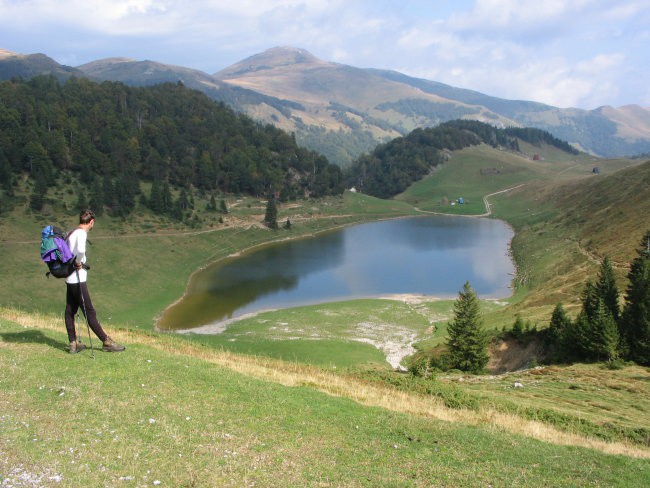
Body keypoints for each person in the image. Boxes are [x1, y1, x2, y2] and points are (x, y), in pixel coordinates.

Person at [64, 209, 125, 353]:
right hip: (77, 278)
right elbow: (80, 251)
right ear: (91, 222)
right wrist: (79, 262)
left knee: (70, 310)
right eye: (93, 224)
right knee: (89, 311)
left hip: (69, 278)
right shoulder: (81, 234)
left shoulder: (72, 232)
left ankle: (73, 343)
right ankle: (106, 341)